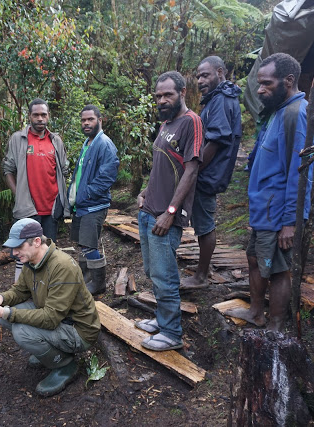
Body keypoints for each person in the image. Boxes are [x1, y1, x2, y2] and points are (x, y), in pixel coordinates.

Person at [224, 53, 313, 331]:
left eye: (266, 84)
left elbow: (299, 174)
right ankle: (256, 312)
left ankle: (274, 327)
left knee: (277, 269)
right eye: (259, 83)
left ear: (288, 81)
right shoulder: (278, 109)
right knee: (254, 258)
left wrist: (289, 222)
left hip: (278, 212)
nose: (260, 90)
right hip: (264, 208)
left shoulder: (296, 114)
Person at [0, 218, 100, 397]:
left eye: (19, 247)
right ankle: (49, 351)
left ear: (37, 241)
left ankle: (65, 365)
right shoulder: (31, 260)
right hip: (57, 316)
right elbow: (20, 291)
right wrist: (1, 298)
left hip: (78, 330)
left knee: (21, 330)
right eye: (13, 247)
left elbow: (50, 318)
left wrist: (7, 312)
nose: (14, 252)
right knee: (6, 313)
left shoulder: (62, 266)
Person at [135, 71, 203, 351]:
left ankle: (173, 333)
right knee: (153, 271)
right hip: (149, 210)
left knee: (165, 276)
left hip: (166, 216)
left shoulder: (191, 122)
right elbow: (161, 166)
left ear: (183, 93)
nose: (162, 100)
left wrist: (172, 211)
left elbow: (192, 168)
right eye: (158, 96)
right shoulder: (165, 124)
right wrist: (144, 192)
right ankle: (163, 321)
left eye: (168, 95)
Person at [181, 56, 242, 290]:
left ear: (220, 72)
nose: (200, 80)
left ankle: (201, 276)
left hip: (208, 175)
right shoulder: (217, 99)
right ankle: (201, 272)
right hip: (206, 173)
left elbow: (215, 141)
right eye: (198, 76)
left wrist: (193, 169)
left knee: (205, 224)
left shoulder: (222, 100)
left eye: (205, 75)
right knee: (201, 221)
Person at [3, 98, 70, 281]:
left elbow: (63, 171)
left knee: (46, 253)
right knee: (23, 254)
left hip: (51, 208)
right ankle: (21, 291)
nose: (40, 118)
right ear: (29, 116)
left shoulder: (55, 140)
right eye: (36, 115)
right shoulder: (18, 139)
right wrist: (18, 195)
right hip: (28, 209)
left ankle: (45, 292)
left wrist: (64, 201)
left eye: (43, 114)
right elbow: (8, 169)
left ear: (48, 116)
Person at [67, 105, 119, 295]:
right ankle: (86, 279)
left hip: (94, 205)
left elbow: (108, 176)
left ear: (100, 120)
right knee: (82, 244)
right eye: (83, 120)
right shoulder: (88, 143)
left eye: (90, 119)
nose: (86, 123)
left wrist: (87, 193)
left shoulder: (104, 143)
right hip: (83, 205)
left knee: (89, 245)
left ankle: (98, 284)